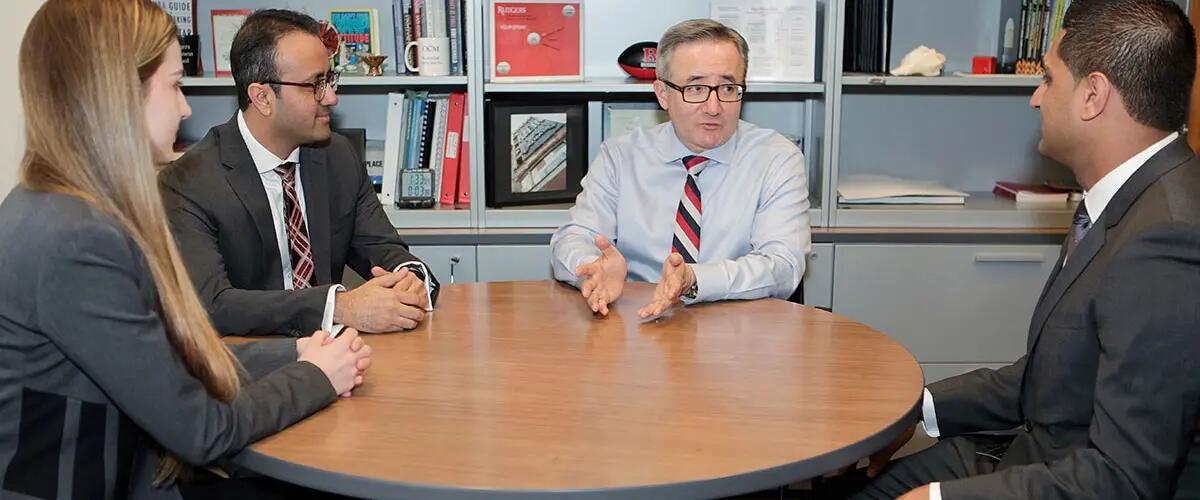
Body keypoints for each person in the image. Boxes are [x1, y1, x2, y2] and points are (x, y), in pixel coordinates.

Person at [0, 1, 371, 498]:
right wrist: (315, 377)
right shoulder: (77, 239)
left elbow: (164, 362)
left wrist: (295, 352)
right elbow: (203, 431)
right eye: (175, 85)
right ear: (119, 94)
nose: (186, 108)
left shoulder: (51, 207)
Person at [852, 1, 1200, 498]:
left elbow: (1126, 478)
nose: (1035, 98)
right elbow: (1056, 378)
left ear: (1093, 95)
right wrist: (917, 410)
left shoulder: (1166, 239)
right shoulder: (1127, 200)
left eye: (1050, 80)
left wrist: (940, 499)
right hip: (1032, 453)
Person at [160, 9, 437, 337]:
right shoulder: (189, 182)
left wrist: (409, 277)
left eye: (330, 80)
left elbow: (383, 248)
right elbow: (211, 305)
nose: (331, 98)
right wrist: (338, 306)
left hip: (338, 358)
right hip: (250, 366)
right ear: (262, 97)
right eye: (315, 85)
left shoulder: (337, 156)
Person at [550, 19, 811, 318]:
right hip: (636, 326)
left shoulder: (777, 158)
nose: (714, 107)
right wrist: (590, 269)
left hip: (738, 331)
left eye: (728, 88)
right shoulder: (621, 157)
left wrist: (695, 280)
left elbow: (783, 265)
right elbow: (571, 238)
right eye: (696, 88)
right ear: (663, 94)